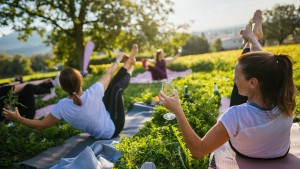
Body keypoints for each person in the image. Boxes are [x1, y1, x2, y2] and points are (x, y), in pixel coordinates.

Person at [158, 10, 296, 161]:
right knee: (262, 69)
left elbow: (199, 151)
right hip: (278, 151)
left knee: (249, 81)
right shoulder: (286, 98)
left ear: (252, 83)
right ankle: (253, 39)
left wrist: (178, 111)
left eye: (236, 77)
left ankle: (253, 38)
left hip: (245, 153)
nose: (234, 81)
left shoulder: (234, 116)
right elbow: (266, 68)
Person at [3, 44, 138, 139]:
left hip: (105, 121)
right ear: (81, 79)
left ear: (63, 87)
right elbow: (109, 73)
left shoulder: (62, 106)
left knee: (111, 88)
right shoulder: (93, 92)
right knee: (115, 89)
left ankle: (130, 62)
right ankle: (130, 66)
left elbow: (41, 125)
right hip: (113, 128)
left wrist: (19, 119)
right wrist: (118, 58)